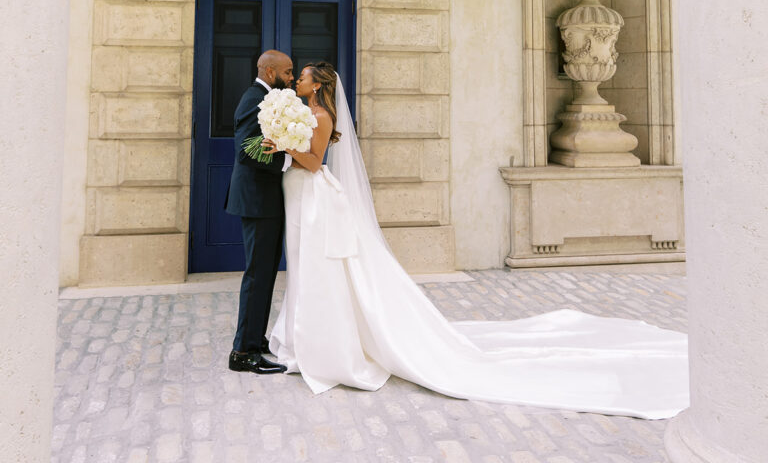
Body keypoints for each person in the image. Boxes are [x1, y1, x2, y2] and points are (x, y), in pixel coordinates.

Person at [264, 62, 690, 419]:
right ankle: (320, 336)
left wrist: (282, 143)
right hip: (306, 198)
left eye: (301, 77)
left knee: (323, 266)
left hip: (316, 196)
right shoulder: (310, 111)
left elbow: (315, 161)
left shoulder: (319, 116)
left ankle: (331, 344)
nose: (296, 82)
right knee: (313, 266)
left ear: (316, 84)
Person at [224, 49, 294, 375]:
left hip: (266, 201)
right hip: (257, 200)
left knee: (265, 274)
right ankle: (243, 353)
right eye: (288, 72)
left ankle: (256, 339)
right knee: (257, 274)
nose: (291, 79)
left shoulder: (266, 98)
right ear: (270, 72)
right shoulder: (255, 98)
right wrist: (288, 162)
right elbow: (247, 150)